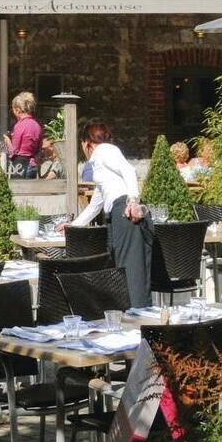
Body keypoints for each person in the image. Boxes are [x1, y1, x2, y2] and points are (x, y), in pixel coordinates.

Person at [69, 121, 150, 307]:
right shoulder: (100, 164)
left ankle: (138, 326)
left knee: (131, 275)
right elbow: (96, 204)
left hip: (125, 212)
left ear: (86, 142)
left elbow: (129, 170)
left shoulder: (105, 150)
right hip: (119, 213)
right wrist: (72, 226)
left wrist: (132, 201)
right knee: (123, 274)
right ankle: (129, 323)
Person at [8, 92, 42, 179]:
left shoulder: (20, 125)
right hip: (33, 164)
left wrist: (8, 141)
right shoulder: (37, 125)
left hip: (20, 164)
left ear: (18, 109)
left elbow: (14, 150)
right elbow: (39, 148)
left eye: (13, 109)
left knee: (18, 191)